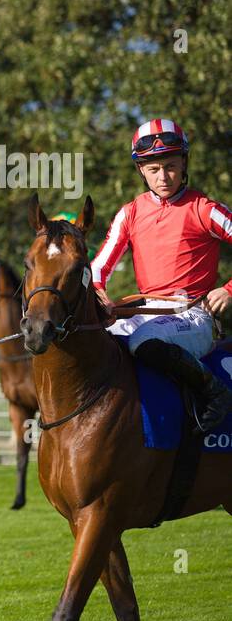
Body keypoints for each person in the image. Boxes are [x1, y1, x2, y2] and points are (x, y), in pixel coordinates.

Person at [92, 119, 232, 431]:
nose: (163, 177)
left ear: (184, 163)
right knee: (95, 341)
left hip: (193, 316)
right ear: (141, 171)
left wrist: (229, 290)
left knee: (144, 341)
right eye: (153, 169)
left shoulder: (205, 208)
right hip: (144, 311)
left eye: (170, 166)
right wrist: (98, 291)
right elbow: (99, 266)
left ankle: (214, 393)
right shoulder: (130, 212)